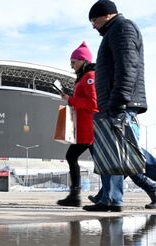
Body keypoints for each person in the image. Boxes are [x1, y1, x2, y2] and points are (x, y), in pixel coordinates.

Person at [83, 0, 156, 212]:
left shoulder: (123, 28)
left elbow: (128, 65)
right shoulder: (114, 31)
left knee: (127, 149)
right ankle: (110, 200)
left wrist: (119, 99)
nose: (93, 25)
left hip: (121, 101)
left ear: (107, 14)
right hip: (114, 101)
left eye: (94, 20)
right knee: (113, 150)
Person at [56, 42, 97, 207]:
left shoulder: (89, 77)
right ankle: (75, 194)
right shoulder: (83, 78)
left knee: (74, 157)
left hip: (90, 129)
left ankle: (76, 195)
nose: (71, 65)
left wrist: (70, 100)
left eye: (74, 61)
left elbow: (93, 103)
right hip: (85, 129)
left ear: (83, 61)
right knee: (73, 157)